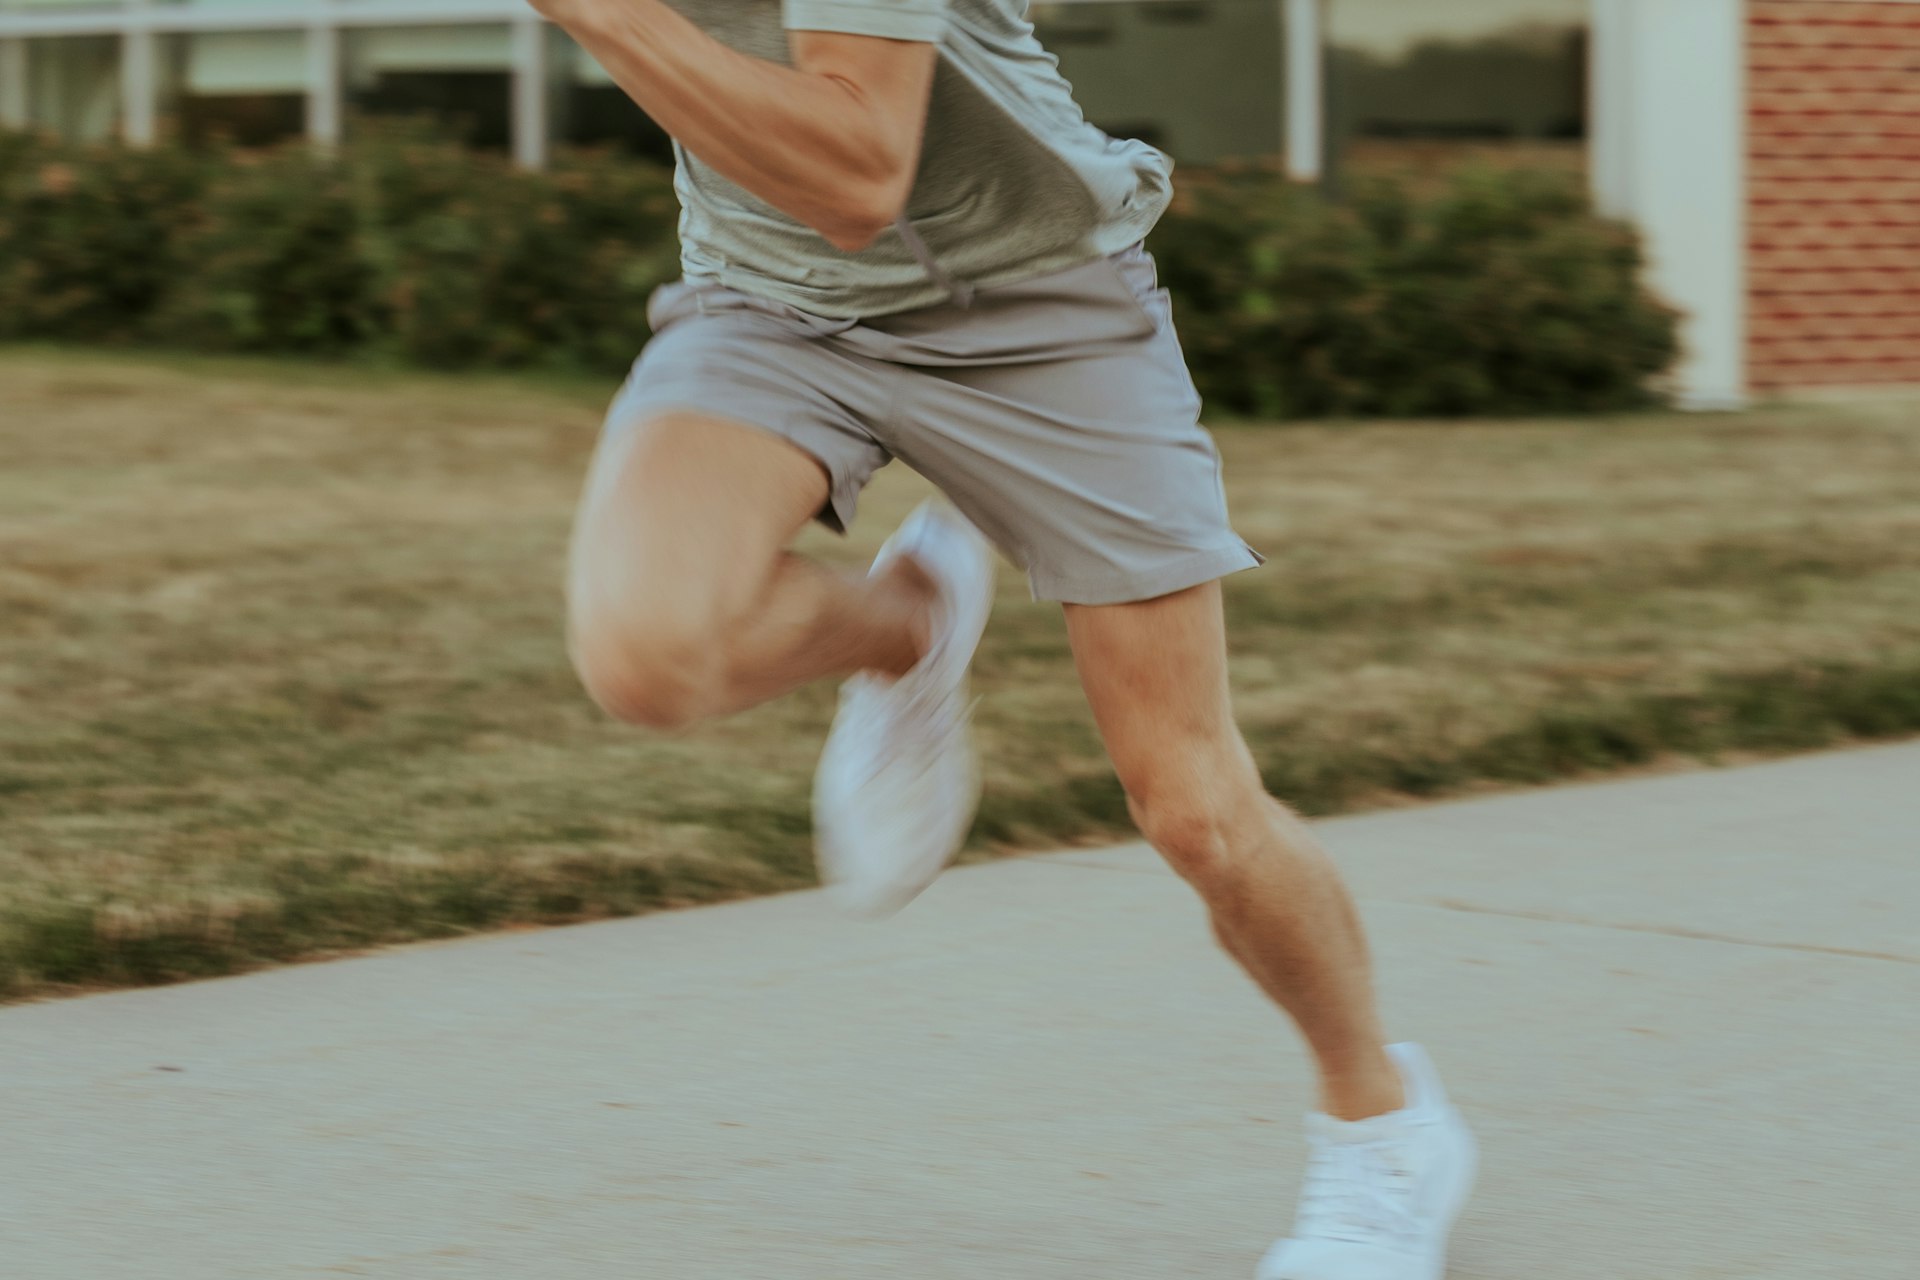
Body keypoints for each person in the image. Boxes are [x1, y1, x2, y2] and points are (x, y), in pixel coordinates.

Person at [533, 0, 1477, 1272]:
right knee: (645, 651)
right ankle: (906, 626)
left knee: (1195, 805)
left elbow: (861, 171)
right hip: (770, 307)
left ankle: (1385, 1128)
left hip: (1039, 309)